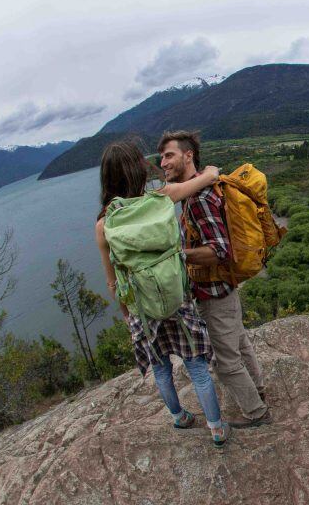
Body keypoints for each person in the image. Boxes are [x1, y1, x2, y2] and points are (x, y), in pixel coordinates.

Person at [95, 140, 232, 448]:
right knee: (197, 367)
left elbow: (112, 281)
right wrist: (210, 170)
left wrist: (127, 316)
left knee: (161, 369)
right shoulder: (163, 197)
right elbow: (208, 177)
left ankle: (180, 417)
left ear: (107, 178)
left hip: (143, 310)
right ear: (140, 171)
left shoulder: (104, 225)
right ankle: (217, 428)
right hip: (177, 301)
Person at [158, 130, 271, 428]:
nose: (163, 163)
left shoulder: (198, 200)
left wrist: (179, 256)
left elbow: (219, 250)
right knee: (241, 342)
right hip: (225, 289)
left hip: (215, 293)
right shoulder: (204, 189)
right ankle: (258, 390)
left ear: (188, 155)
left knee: (225, 363)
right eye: (161, 157)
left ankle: (256, 413)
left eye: (169, 155)